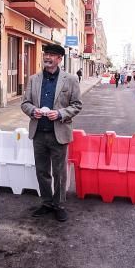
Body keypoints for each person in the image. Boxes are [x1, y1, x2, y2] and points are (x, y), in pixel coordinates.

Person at [21, 43, 82, 222]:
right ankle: (47, 202)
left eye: (51, 55)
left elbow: (77, 105)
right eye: (45, 54)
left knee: (59, 172)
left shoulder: (70, 79)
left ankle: (59, 204)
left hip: (59, 133)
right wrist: (33, 111)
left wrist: (61, 113)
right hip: (39, 132)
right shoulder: (34, 79)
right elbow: (25, 103)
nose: (47, 58)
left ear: (59, 59)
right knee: (42, 171)